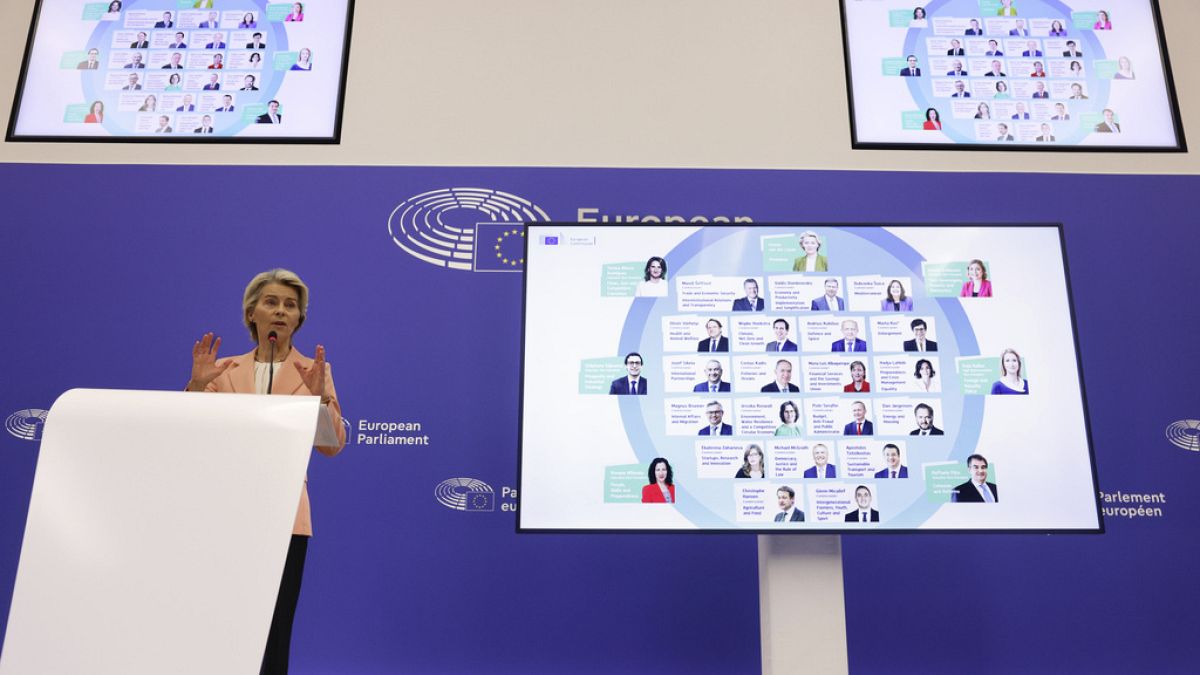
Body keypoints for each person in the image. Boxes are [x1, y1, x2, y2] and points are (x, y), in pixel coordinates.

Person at [187, 269, 345, 674]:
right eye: (271, 302)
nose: (280, 311)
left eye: (291, 306)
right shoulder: (220, 370)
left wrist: (319, 402)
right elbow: (190, 436)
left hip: (286, 516)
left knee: (274, 628)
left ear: (299, 320)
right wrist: (194, 389)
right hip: (226, 513)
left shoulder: (315, 372)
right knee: (223, 622)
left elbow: (332, 445)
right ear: (251, 312)